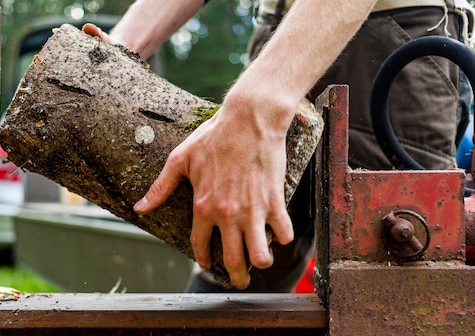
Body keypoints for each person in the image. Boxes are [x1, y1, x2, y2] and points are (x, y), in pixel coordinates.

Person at [83, 0, 473, 292]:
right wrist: (116, 53)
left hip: (390, 29)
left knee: (395, 280)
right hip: (279, 32)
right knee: (233, 268)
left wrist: (258, 103)